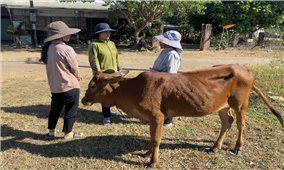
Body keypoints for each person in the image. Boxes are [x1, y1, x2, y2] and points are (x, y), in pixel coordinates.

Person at [40, 21, 83, 140]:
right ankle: (68, 133)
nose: (69, 35)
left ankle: (51, 132)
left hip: (55, 87)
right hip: (69, 85)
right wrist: (78, 75)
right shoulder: (66, 49)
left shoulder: (48, 49)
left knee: (55, 110)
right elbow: (74, 67)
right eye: (66, 33)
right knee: (71, 109)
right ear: (60, 35)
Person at [88, 23, 120, 126]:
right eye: (105, 31)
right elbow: (93, 60)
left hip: (114, 74)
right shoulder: (94, 45)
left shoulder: (112, 44)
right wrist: (98, 72)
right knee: (105, 95)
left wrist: (118, 69)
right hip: (103, 75)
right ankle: (106, 117)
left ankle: (110, 111)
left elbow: (116, 58)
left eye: (109, 31)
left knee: (114, 94)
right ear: (99, 33)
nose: (108, 33)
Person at [150, 30, 183, 128]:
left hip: (164, 82)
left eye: (163, 41)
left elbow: (171, 74)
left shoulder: (172, 54)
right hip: (157, 80)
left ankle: (168, 121)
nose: (161, 42)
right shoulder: (165, 51)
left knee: (166, 101)